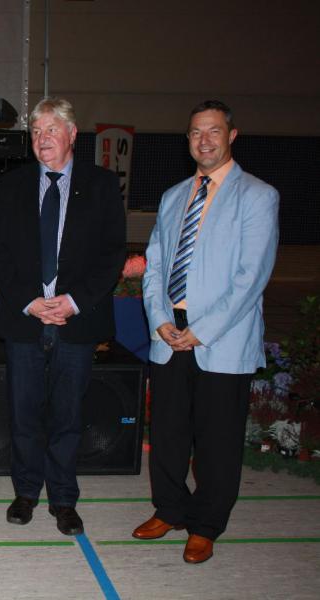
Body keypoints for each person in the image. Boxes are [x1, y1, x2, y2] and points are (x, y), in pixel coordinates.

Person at [133, 100, 279, 564]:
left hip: (221, 336)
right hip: (168, 332)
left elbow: (252, 276)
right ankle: (169, 509)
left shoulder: (257, 196)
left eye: (214, 131)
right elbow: (156, 264)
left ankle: (205, 525)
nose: (204, 140)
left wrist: (201, 329)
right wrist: (159, 318)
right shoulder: (174, 195)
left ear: (232, 136)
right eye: (196, 132)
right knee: (168, 432)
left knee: (217, 440)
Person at [0, 97, 126, 536]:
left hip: (77, 320)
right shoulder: (12, 185)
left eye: (51, 130)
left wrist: (74, 301)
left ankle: (64, 499)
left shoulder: (102, 185)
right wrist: (29, 301)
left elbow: (112, 255)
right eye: (36, 132)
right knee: (23, 414)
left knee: (68, 416)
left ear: (72, 134)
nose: (42, 138)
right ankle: (26, 492)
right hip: (25, 318)